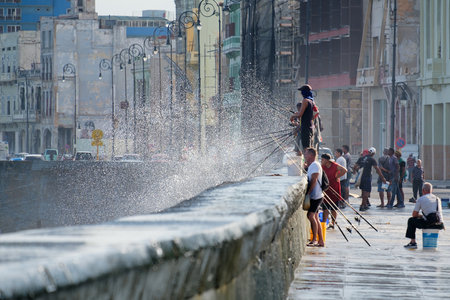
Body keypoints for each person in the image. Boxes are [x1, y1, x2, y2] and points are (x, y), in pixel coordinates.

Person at [404, 182, 444, 249]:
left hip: (429, 223)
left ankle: (413, 242)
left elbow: (414, 214)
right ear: (431, 190)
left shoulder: (421, 199)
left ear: (423, 190)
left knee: (411, 220)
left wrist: (420, 216)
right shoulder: (437, 199)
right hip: (440, 224)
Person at [353, 147, 386, 211]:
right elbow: (377, 169)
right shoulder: (372, 159)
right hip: (367, 177)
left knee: (363, 191)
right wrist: (382, 177)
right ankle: (362, 205)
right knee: (367, 191)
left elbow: (355, 166)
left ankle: (364, 204)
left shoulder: (361, 158)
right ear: (373, 153)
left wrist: (354, 171)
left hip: (361, 177)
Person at [304, 147, 325, 247]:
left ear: (312, 155)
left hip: (316, 196)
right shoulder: (312, 165)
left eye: (307, 154)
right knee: (315, 217)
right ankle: (321, 241)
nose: (305, 155)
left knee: (310, 216)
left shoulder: (315, 165)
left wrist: (308, 193)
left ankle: (314, 240)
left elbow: (314, 180)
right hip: (316, 195)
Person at [321, 153, 347, 229]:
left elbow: (344, 170)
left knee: (333, 208)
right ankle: (324, 223)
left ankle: (333, 223)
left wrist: (337, 176)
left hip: (334, 188)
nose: (321, 161)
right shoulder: (322, 167)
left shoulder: (334, 165)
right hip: (326, 189)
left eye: (322, 159)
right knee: (325, 208)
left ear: (327, 160)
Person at [290, 85, 315, 155]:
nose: (301, 93)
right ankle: (307, 162)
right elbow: (306, 114)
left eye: (302, 92)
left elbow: (300, 114)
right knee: (308, 147)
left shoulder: (305, 101)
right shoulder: (311, 101)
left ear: (304, 92)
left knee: (306, 149)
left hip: (305, 128)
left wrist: (292, 116)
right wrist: (297, 114)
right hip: (310, 127)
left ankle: (306, 163)